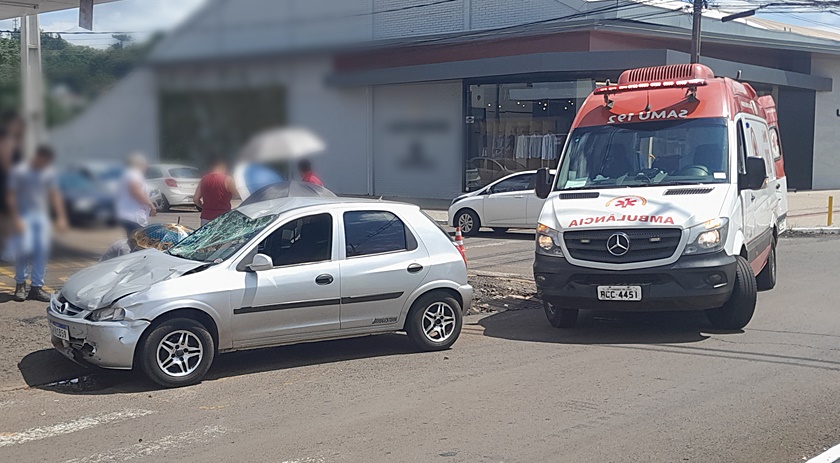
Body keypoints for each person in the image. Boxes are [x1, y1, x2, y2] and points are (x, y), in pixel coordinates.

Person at [7, 145, 68, 302]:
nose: (44, 165)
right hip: (23, 216)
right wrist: (15, 218)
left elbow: (54, 194)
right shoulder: (20, 171)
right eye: (43, 161)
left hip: (41, 217)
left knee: (42, 253)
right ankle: (20, 285)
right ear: (37, 157)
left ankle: (36, 288)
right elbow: (11, 195)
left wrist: (60, 217)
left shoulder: (48, 173)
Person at [116, 153, 156, 238]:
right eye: (145, 164)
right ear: (139, 164)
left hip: (128, 214)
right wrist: (151, 205)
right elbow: (135, 191)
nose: (146, 167)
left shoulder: (129, 174)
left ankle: (131, 251)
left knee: (133, 239)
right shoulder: (134, 174)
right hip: (133, 215)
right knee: (137, 240)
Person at [194, 156, 236, 226]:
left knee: (206, 237)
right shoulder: (227, 180)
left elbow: (195, 199)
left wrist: (203, 207)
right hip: (222, 216)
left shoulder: (204, 179)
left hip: (206, 216)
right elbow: (239, 194)